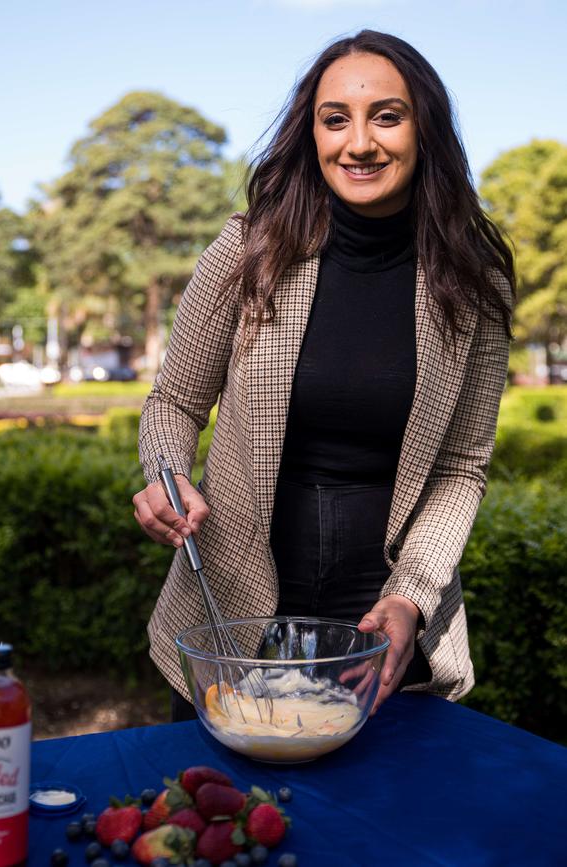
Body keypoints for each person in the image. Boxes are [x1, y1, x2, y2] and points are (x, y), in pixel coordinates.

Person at [133, 30, 515, 723]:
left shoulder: (475, 277)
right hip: (233, 598)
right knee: (230, 816)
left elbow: (463, 465)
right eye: (335, 119)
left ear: (423, 128)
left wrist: (412, 595)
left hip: (384, 610)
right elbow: (176, 401)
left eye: (387, 116)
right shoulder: (250, 248)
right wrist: (167, 473)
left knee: (378, 819)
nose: (359, 143)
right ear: (310, 134)